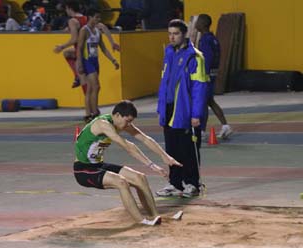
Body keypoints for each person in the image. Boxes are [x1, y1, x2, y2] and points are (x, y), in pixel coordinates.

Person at [74, 100, 182, 225]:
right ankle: (142, 221)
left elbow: (145, 138)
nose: (128, 125)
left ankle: (155, 216)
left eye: (131, 122)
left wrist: (165, 156)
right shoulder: (103, 124)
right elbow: (127, 146)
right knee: (121, 182)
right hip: (83, 170)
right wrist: (152, 165)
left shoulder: (120, 123)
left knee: (139, 178)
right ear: (118, 115)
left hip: (98, 165)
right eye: (127, 121)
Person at [156, 19, 208, 198]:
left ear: (184, 34)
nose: (172, 37)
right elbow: (164, 83)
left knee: (188, 150)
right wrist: (161, 109)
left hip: (186, 111)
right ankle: (175, 183)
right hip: (170, 109)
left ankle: (193, 183)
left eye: (175, 33)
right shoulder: (168, 52)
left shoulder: (195, 57)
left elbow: (200, 87)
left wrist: (196, 114)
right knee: (171, 149)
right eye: (170, 33)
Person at [53, 0, 120, 98]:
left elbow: (74, 39)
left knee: (86, 84)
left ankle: (90, 106)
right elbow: (103, 27)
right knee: (68, 54)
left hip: (82, 52)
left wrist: (62, 46)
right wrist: (112, 42)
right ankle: (79, 80)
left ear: (69, 8)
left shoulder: (72, 21)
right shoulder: (86, 18)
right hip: (90, 51)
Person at [76, 8, 119, 123]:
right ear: (90, 17)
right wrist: (79, 63)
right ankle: (95, 113)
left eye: (99, 17)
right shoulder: (84, 30)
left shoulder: (97, 31)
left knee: (91, 88)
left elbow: (103, 48)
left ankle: (88, 114)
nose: (98, 20)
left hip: (95, 61)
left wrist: (113, 60)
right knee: (96, 86)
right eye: (96, 17)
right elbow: (79, 48)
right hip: (87, 61)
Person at [195, 14, 233, 139]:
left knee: (204, 102)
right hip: (213, 74)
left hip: (206, 76)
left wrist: (202, 75)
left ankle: (201, 131)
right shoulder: (213, 38)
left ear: (203, 24)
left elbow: (207, 58)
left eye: (198, 21)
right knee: (209, 101)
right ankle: (225, 126)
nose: (195, 24)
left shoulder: (205, 40)